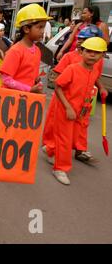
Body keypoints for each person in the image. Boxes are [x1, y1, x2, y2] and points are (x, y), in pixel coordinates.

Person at [42, 25, 106, 165]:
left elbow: (96, 76)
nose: (80, 42)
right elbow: (57, 79)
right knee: (60, 130)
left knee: (80, 128)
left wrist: (101, 88)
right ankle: (53, 150)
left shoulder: (97, 61)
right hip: (65, 99)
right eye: (80, 39)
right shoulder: (70, 58)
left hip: (83, 101)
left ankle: (79, 149)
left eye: (85, 39)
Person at [50, 37, 108, 185]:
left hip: (81, 110)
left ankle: (50, 150)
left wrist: (101, 88)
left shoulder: (94, 70)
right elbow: (58, 86)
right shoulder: (72, 69)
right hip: (66, 109)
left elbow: (95, 80)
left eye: (97, 53)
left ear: (102, 56)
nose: (92, 55)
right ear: (81, 51)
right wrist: (68, 107)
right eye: (89, 51)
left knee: (73, 138)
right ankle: (60, 168)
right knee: (65, 139)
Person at [0, 4, 51, 94]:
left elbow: (31, 74)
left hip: (27, 99)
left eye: (44, 27)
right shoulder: (15, 51)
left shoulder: (37, 50)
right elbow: (6, 80)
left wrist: (37, 80)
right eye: (40, 27)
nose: (43, 31)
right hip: (11, 99)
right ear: (26, 29)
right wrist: (29, 89)